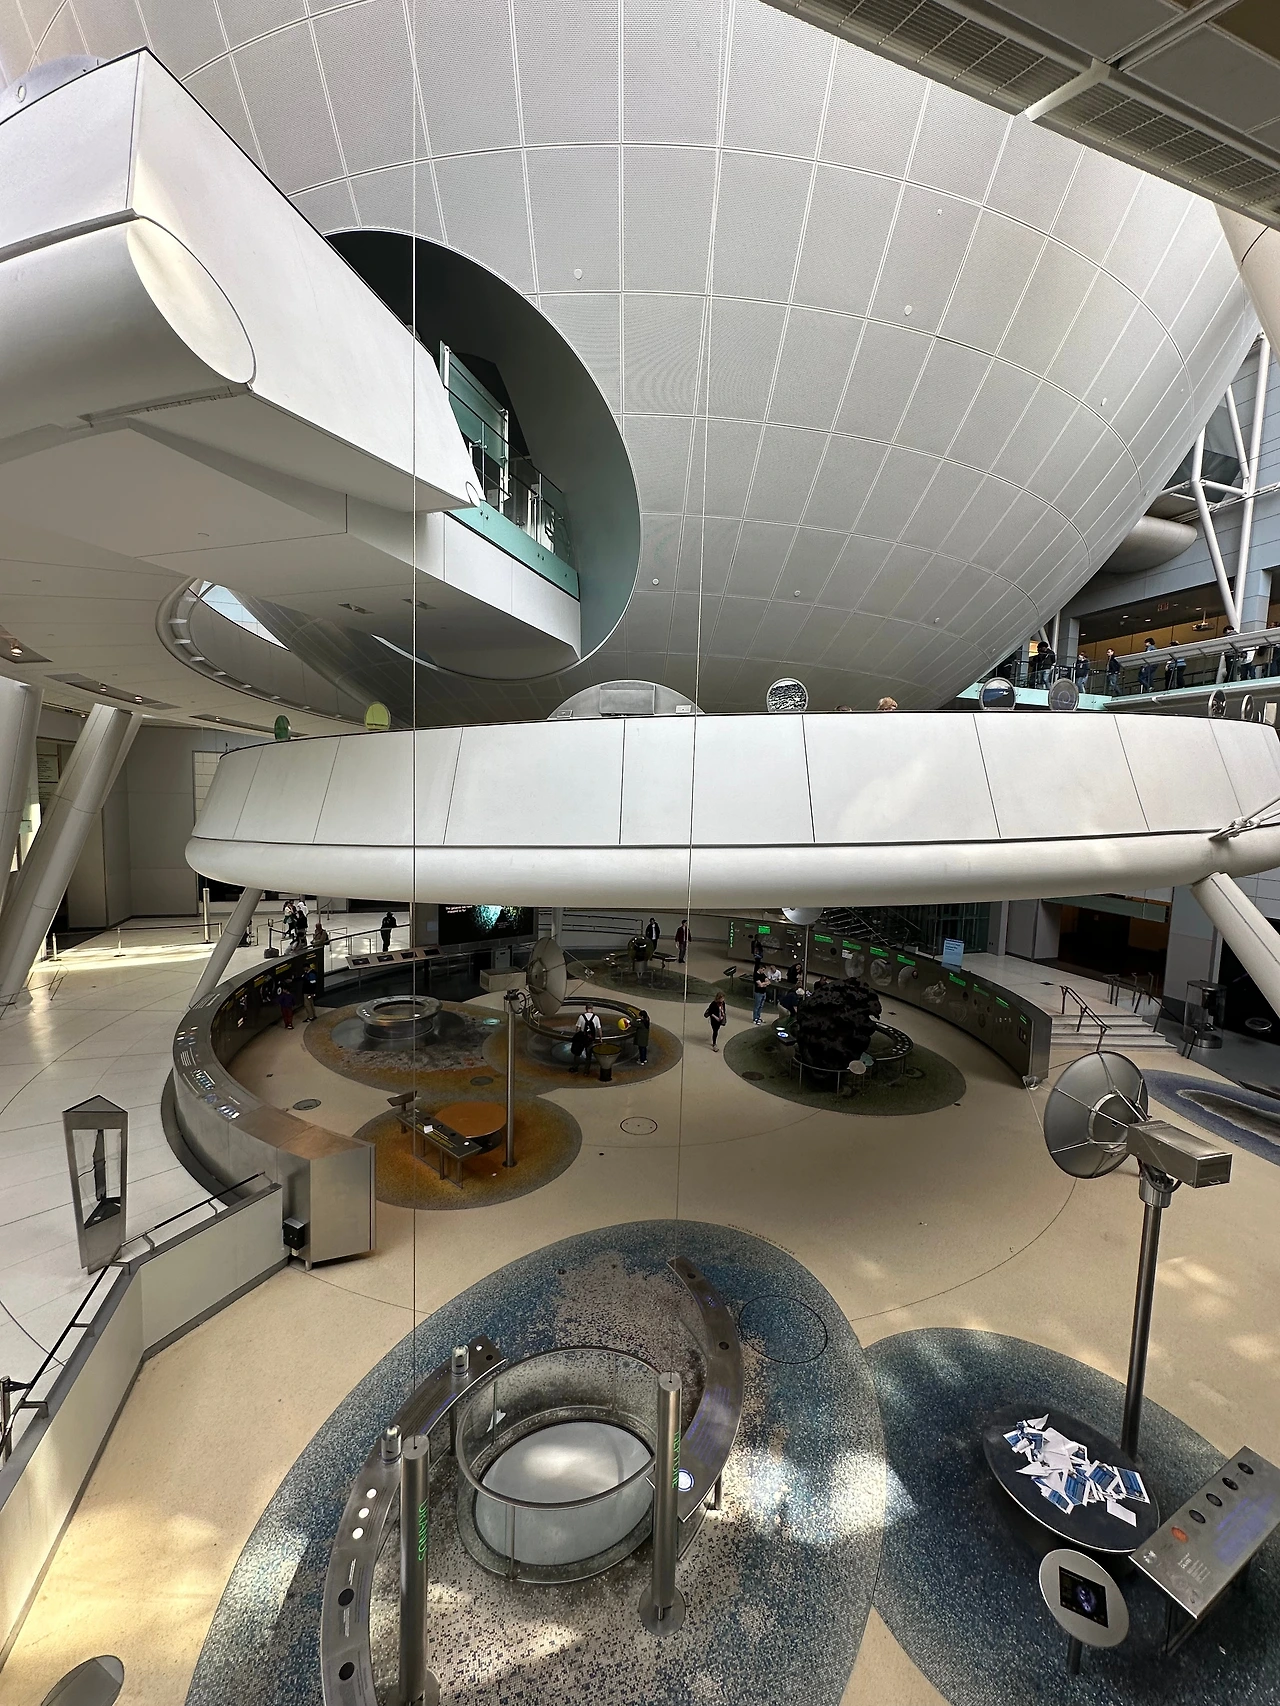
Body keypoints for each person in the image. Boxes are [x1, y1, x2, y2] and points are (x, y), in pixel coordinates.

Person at [573, 1004, 601, 1071]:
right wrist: (600, 1038)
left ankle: (576, 1068)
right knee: (588, 1056)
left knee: (577, 1053)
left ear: (585, 1009)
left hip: (582, 1038)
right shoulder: (596, 1017)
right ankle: (586, 1071)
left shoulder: (581, 1017)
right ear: (592, 1009)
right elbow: (599, 1029)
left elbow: (578, 1028)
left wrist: (576, 1037)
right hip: (590, 1039)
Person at [752, 960, 771, 1025]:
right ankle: (755, 1018)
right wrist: (764, 984)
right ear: (760, 969)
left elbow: (768, 982)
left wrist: (763, 984)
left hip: (763, 992)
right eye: (763, 970)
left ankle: (758, 1017)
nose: (763, 971)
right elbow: (760, 985)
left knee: (761, 1006)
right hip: (758, 993)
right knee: (757, 1006)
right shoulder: (756, 975)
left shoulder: (763, 974)